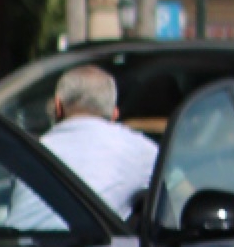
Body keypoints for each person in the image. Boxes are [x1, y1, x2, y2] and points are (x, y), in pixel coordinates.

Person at [40, 64, 159, 219]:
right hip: (92, 242)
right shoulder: (138, 149)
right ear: (115, 115)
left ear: (58, 106)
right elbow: (178, 189)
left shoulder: (31, 150)